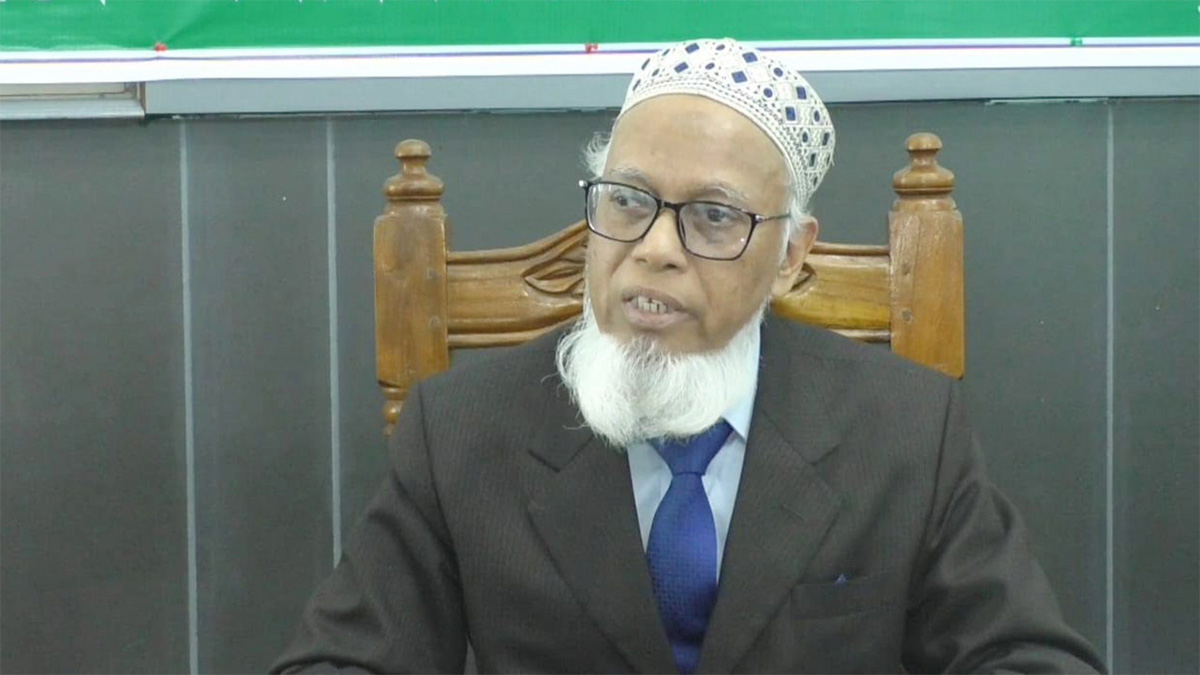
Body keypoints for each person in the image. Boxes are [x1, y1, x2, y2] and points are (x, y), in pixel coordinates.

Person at [272, 38, 1104, 674]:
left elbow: (1025, 656)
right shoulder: (461, 429)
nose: (654, 249)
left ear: (791, 256)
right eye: (627, 200)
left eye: (713, 216)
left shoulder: (907, 431)